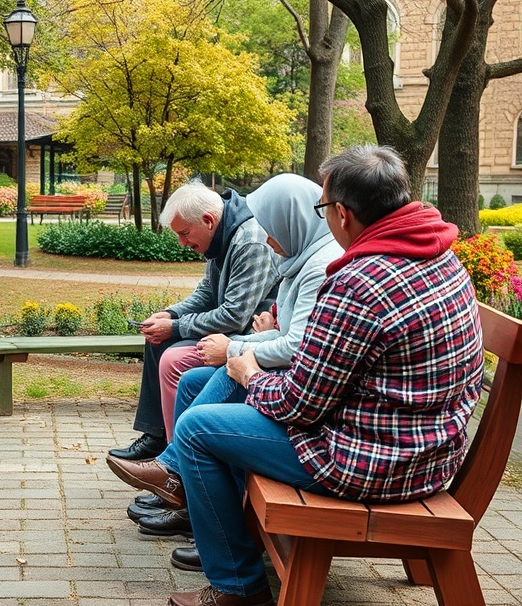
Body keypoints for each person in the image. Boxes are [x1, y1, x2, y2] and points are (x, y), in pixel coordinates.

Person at [118, 145, 486, 606]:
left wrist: (249, 372)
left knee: (196, 429)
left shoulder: (361, 281)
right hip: (425, 449)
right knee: (206, 398)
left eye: (323, 206)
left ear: (344, 214)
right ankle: (201, 507)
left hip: (372, 459)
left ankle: (237, 588)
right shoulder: (440, 255)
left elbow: (300, 403)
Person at [108, 173, 343, 550]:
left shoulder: (270, 247)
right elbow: (213, 297)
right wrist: (172, 316)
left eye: (184, 234)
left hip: (333, 442)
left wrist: (232, 348)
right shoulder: (295, 256)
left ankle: (182, 482)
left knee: (190, 390)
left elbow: (248, 322)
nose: (268, 239)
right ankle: (173, 472)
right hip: (294, 386)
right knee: (186, 374)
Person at [108, 182, 278, 463]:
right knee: (157, 340)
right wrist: (171, 314)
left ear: (208, 220)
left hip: (249, 335)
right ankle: (157, 436)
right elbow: (207, 292)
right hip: (232, 329)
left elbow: (234, 316)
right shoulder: (223, 231)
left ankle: (177, 459)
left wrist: (176, 327)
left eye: (185, 234)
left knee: (173, 360)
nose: (182, 243)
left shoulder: (249, 240)